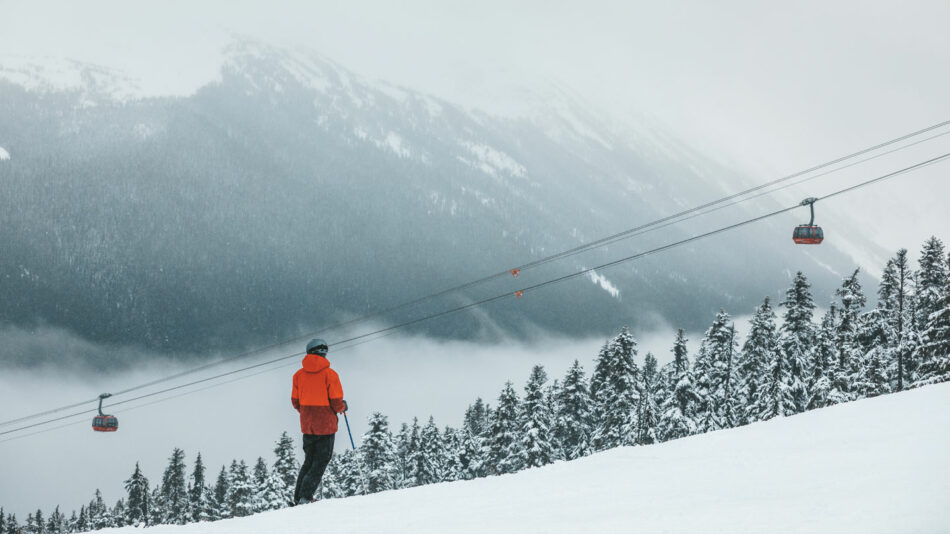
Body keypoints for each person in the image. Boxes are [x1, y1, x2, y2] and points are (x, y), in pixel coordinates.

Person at [291, 338, 346, 505]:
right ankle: (305, 497)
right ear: (324, 353)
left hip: (308, 425)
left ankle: (298, 496)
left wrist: (308, 413)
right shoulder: (330, 374)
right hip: (326, 426)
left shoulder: (298, 375)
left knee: (309, 460)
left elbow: (295, 401)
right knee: (321, 461)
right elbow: (336, 401)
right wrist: (342, 407)